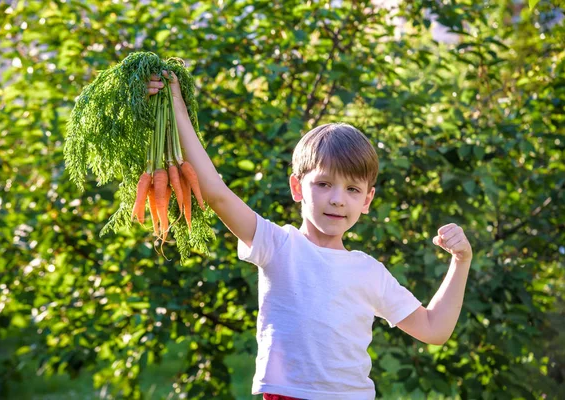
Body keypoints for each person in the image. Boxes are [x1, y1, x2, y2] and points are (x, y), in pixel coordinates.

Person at [147, 73, 472, 400]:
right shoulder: (278, 246)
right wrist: (176, 105)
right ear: (297, 187)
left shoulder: (368, 271)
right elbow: (216, 194)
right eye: (324, 184)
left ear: (367, 201)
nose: (337, 199)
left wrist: (461, 261)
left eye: (352, 189)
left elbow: (434, 329)